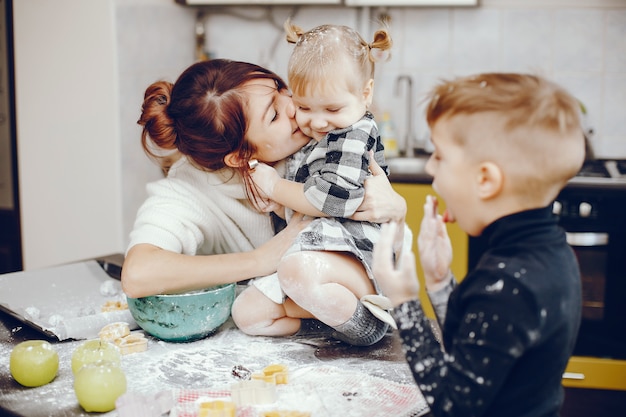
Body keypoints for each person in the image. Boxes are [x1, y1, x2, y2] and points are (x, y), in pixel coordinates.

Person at [121, 58, 406, 335]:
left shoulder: (316, 139)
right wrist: (260, 260)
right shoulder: (186, 193)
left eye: (282, 89)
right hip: (296, 325)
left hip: (378, 296)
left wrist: (397, 208)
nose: (295, 106)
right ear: (239, 157)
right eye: (274, 115)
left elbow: (387, 253)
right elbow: (138, 274)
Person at [372, 73, 585, 416]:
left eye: (439, 156)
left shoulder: (508, 284)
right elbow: (479, 353)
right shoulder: (548, 253)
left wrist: (405, 303)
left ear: (485, 180)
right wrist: (441, 283)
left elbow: (454, 404)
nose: (429, 166)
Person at [239, 22, 410, 346]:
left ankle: (367, 323)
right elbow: (307, 194)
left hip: (362, 257)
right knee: (248, 313)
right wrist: (280, 204)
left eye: (332, 108)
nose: (316, 122)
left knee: (296, 271)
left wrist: (275, 186)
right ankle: (332, 314)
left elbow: (330, 199)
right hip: (324, 256)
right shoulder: (325, 132)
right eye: (303, 107)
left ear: (366, 93)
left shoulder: (354, 134)